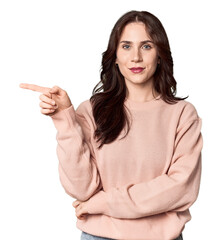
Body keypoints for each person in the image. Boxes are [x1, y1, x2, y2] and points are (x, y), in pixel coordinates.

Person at [19, 10, 203, 240]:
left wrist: (104, 203)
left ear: (160, 55)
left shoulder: (182, 114)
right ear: (114, 55)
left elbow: (180, 189)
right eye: (126, 46)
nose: (135, 57)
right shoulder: (91, 111)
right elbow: (82, 189)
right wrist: (65, 119)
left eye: (146, 46)